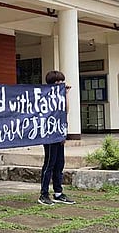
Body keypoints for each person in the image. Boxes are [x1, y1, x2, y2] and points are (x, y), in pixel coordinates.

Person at [38, 70, 75, 206]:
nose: (60, 84)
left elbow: (65, 111)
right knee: (49, 163)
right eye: (57, 82)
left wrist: (66, 95)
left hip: (59, 135)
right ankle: (44, 194)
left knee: (59, 164)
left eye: (61, 81)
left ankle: (58, 193)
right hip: (49, 135)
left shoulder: (61, 96)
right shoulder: (45, 97)